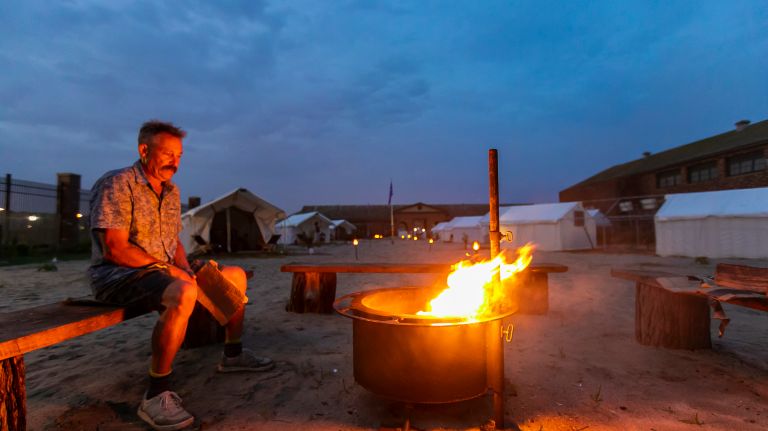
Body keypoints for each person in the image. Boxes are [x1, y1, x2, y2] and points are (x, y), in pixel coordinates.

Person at [87, 120, 273, 431]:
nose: (175, 162)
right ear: (144, 150)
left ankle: (233, 354)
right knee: (184, 292)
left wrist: (185, 268)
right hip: (119, 275)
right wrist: (175, 274)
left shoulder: (171, 191)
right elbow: (115, 250)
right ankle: (155, 394)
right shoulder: (117, 184)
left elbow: (172, 242)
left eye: (180, 155)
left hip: (163, 270)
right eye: (168, 153)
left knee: (235, 275)